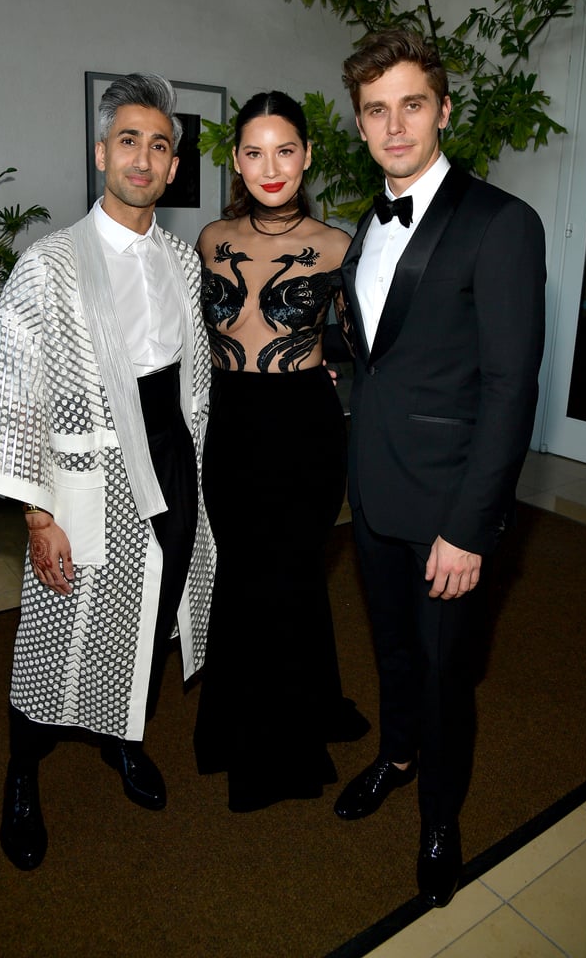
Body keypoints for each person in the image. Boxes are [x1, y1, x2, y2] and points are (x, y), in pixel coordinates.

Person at [0, 73, 215, 870]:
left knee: (152, 615)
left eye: (160, 145)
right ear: (102, 152)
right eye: (129, 140)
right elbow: (13, 393)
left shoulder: (181, 258)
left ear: (174, 169)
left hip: (171, 458)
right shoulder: (48, 266)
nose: (144, 158)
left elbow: (193, 380)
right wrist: (39, 516)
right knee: (56, 631)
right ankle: (23, 770)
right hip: (83, 475)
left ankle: (121, 737)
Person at [334, 30, 546, 907]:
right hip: (374, 493)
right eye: (376, 110)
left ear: (443, 110)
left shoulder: (502, 223)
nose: (394, 125)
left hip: (450, 508)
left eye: (411, 105)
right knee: (391, 651)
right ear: (360, 123)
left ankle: (440, 816)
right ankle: (395, 753)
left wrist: (470, 526)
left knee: (445, 671)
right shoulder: (363, 222)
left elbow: (509, 387)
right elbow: (376, 355)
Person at [192, 90, 369, 812]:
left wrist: (320, 353)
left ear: (307, 157)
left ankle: (280, 747)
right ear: (236, 159)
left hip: (305, 431)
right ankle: (244, 719)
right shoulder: (210, 239)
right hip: (232, 428)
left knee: (291, 575)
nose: (271, 166)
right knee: (243, 574)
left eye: (286, 150)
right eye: (255, 151)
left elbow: (365, 339)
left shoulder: (337, 245)